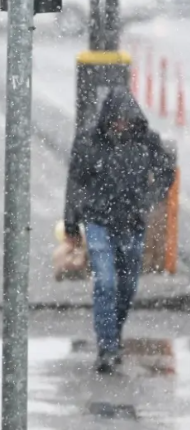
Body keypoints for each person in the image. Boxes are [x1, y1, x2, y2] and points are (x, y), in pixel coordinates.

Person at [64, 86, 175, 373]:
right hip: (99, 221)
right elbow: (76, 184)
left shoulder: (146, 141)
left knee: (127, 287)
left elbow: (167, 170)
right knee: (106, 283)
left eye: (126, 120)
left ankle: (112, 332)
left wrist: (150, 198)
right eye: (117, 119)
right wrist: (71, 223)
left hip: (132, 223)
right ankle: (108, 347)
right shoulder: (89, 142)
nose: (121, 125)